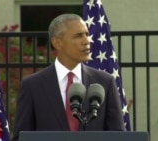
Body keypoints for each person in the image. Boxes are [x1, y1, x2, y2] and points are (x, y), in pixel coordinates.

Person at [12, 13, 125, 141]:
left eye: (87, 34)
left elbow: (118, 134)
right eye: (78, 36)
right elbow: (21, 137)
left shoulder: (105, 82)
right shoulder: (32, 86)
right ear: (57, 43)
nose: (86, 41)